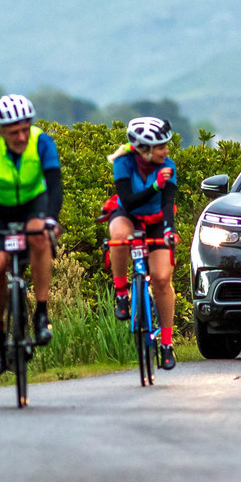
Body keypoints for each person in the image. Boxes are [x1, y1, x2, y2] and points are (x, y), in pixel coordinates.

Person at [0, 94, 63, 374]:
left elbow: (55, 185)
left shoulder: (41, 141)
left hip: (33, 202)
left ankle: (41, 313)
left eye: (24, 129)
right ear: (1, 131)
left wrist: (52, 219)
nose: (21, 137)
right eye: (13, 132)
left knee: (39, 237)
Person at [107, 116, 180, 369]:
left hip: (157, 219)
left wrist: (170, 231)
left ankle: (167, 345)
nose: (166, 150)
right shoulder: (122, 163)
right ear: (144, 150)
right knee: (118, 237)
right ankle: (121, 293)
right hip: (129, 215)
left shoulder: (168, 166)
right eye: (161, 147)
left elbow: (168, 204)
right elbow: (128, 202)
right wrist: (154, 187)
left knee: (161, 279)